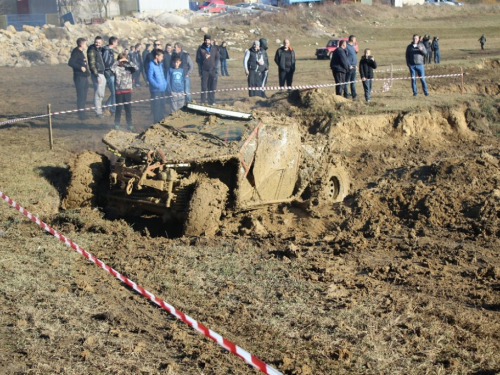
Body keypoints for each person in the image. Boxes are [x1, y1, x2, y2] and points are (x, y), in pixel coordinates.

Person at [111, 53, 138, 131]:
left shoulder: (129, 68)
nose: (123, 63)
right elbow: (111, 68)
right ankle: (116, 124)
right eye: (121, 60)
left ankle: (129, 124)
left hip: (127, 90)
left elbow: (136, 68)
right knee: (118, 109)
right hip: (119, 91)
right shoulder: (116, 68)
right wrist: (118, 61)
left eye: (124, 60)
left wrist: (128, 61)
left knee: (128, 109)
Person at [68, 37, 90, 120]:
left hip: (84, 77)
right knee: (81, 95)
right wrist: (80, 67)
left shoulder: (80, 52)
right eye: (85, 44)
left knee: (84, 95)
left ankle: (82, 111)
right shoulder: (76, 52)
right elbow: (71, 62)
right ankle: (81, 114)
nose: (86, 45)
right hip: (79, 77)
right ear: (81, 44)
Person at [196, 34, 219, 105]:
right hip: (204, 70)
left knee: (212, 86)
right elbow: (197, 60)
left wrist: (214, 66)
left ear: (210, 40)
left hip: (212, 70)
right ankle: (202, 101)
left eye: (208, 40)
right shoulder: (201, 49)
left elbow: (217, 57)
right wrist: (204, 59)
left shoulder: (214, 48)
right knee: (204, 86)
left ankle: (211, 101)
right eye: (205, 40)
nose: (207, 41)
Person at [87, 36, 106, 118]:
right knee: (98, 93)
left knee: (101, 94)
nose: (97, 44)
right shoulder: (92, 51)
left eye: (99, 42)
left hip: (102, 72)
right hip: (97, 74)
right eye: (96, 42)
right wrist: (96, 75)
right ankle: (98, 112)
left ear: (101, 42)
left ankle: (99, 110)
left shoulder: (100, 50)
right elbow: (92, 64)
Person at [147, 49, 167, 123]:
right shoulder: (151, 65)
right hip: (156, 91)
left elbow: (162, 75)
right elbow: (150, 77)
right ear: (156, 56)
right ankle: (156, 122)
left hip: (163, 89)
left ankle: (161, 122)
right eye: (161, 56)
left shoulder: (160, 65)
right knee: (156, 108)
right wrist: (156, 85)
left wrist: (165, 83)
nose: (162, 58)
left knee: (162, 107)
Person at [102, 36, 118, 116]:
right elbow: (105, 62)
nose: (117, 43)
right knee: (114, 92)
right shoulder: (106, 50)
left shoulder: (110, 50)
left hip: (112, 72)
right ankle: (112, 109)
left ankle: (107, 106)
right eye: (116, 42)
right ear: (114, 42)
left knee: (115, 91)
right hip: (108, 72)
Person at [345, 35, 358, 99]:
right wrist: (349, 65)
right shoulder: (347, 47)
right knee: (347, 82)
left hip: (354, 67)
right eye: (355, 40)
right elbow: (346, 58)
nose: (356, 41)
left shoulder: (352, 47)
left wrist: (356, 65)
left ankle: (354, 94)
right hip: (349, 67)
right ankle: (346, 94)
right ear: (352, 40)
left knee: (353, 82)